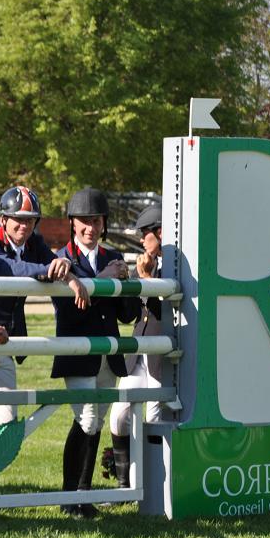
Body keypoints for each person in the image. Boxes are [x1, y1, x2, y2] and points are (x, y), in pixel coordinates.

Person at [0, 186, 90, 486]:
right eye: (18, 220)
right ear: (2, 219)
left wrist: (67, 270)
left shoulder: (35, 243)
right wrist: (53, 270)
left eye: (30, 220)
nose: (24, 226)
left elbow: (53, 262)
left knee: (8, 425)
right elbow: (11, 268)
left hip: (7, 342)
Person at [51, 187, 140, 519]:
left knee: (96, 421)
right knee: (86, 419)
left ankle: (80, 495)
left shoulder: (112, 256)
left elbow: (127, 315)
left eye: (96, 221)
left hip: (108, 353)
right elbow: (71, 311)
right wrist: (101, 281)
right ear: (73, 223)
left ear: (104, 223)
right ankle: (70, 494)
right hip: (77, 352)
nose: (90, 227)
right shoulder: (62, 259)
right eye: (84, 221)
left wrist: (125, 284)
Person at [108, 203, 165, 487]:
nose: (142, 240)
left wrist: (147, 281)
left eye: (146, 233)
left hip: (160, 355)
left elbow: (165, 308)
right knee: (119, 415)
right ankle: (123, 483)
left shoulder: (179, 264)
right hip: (137, 350)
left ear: (161, 232)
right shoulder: (146, 261)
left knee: (153, 416)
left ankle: (149, 483)